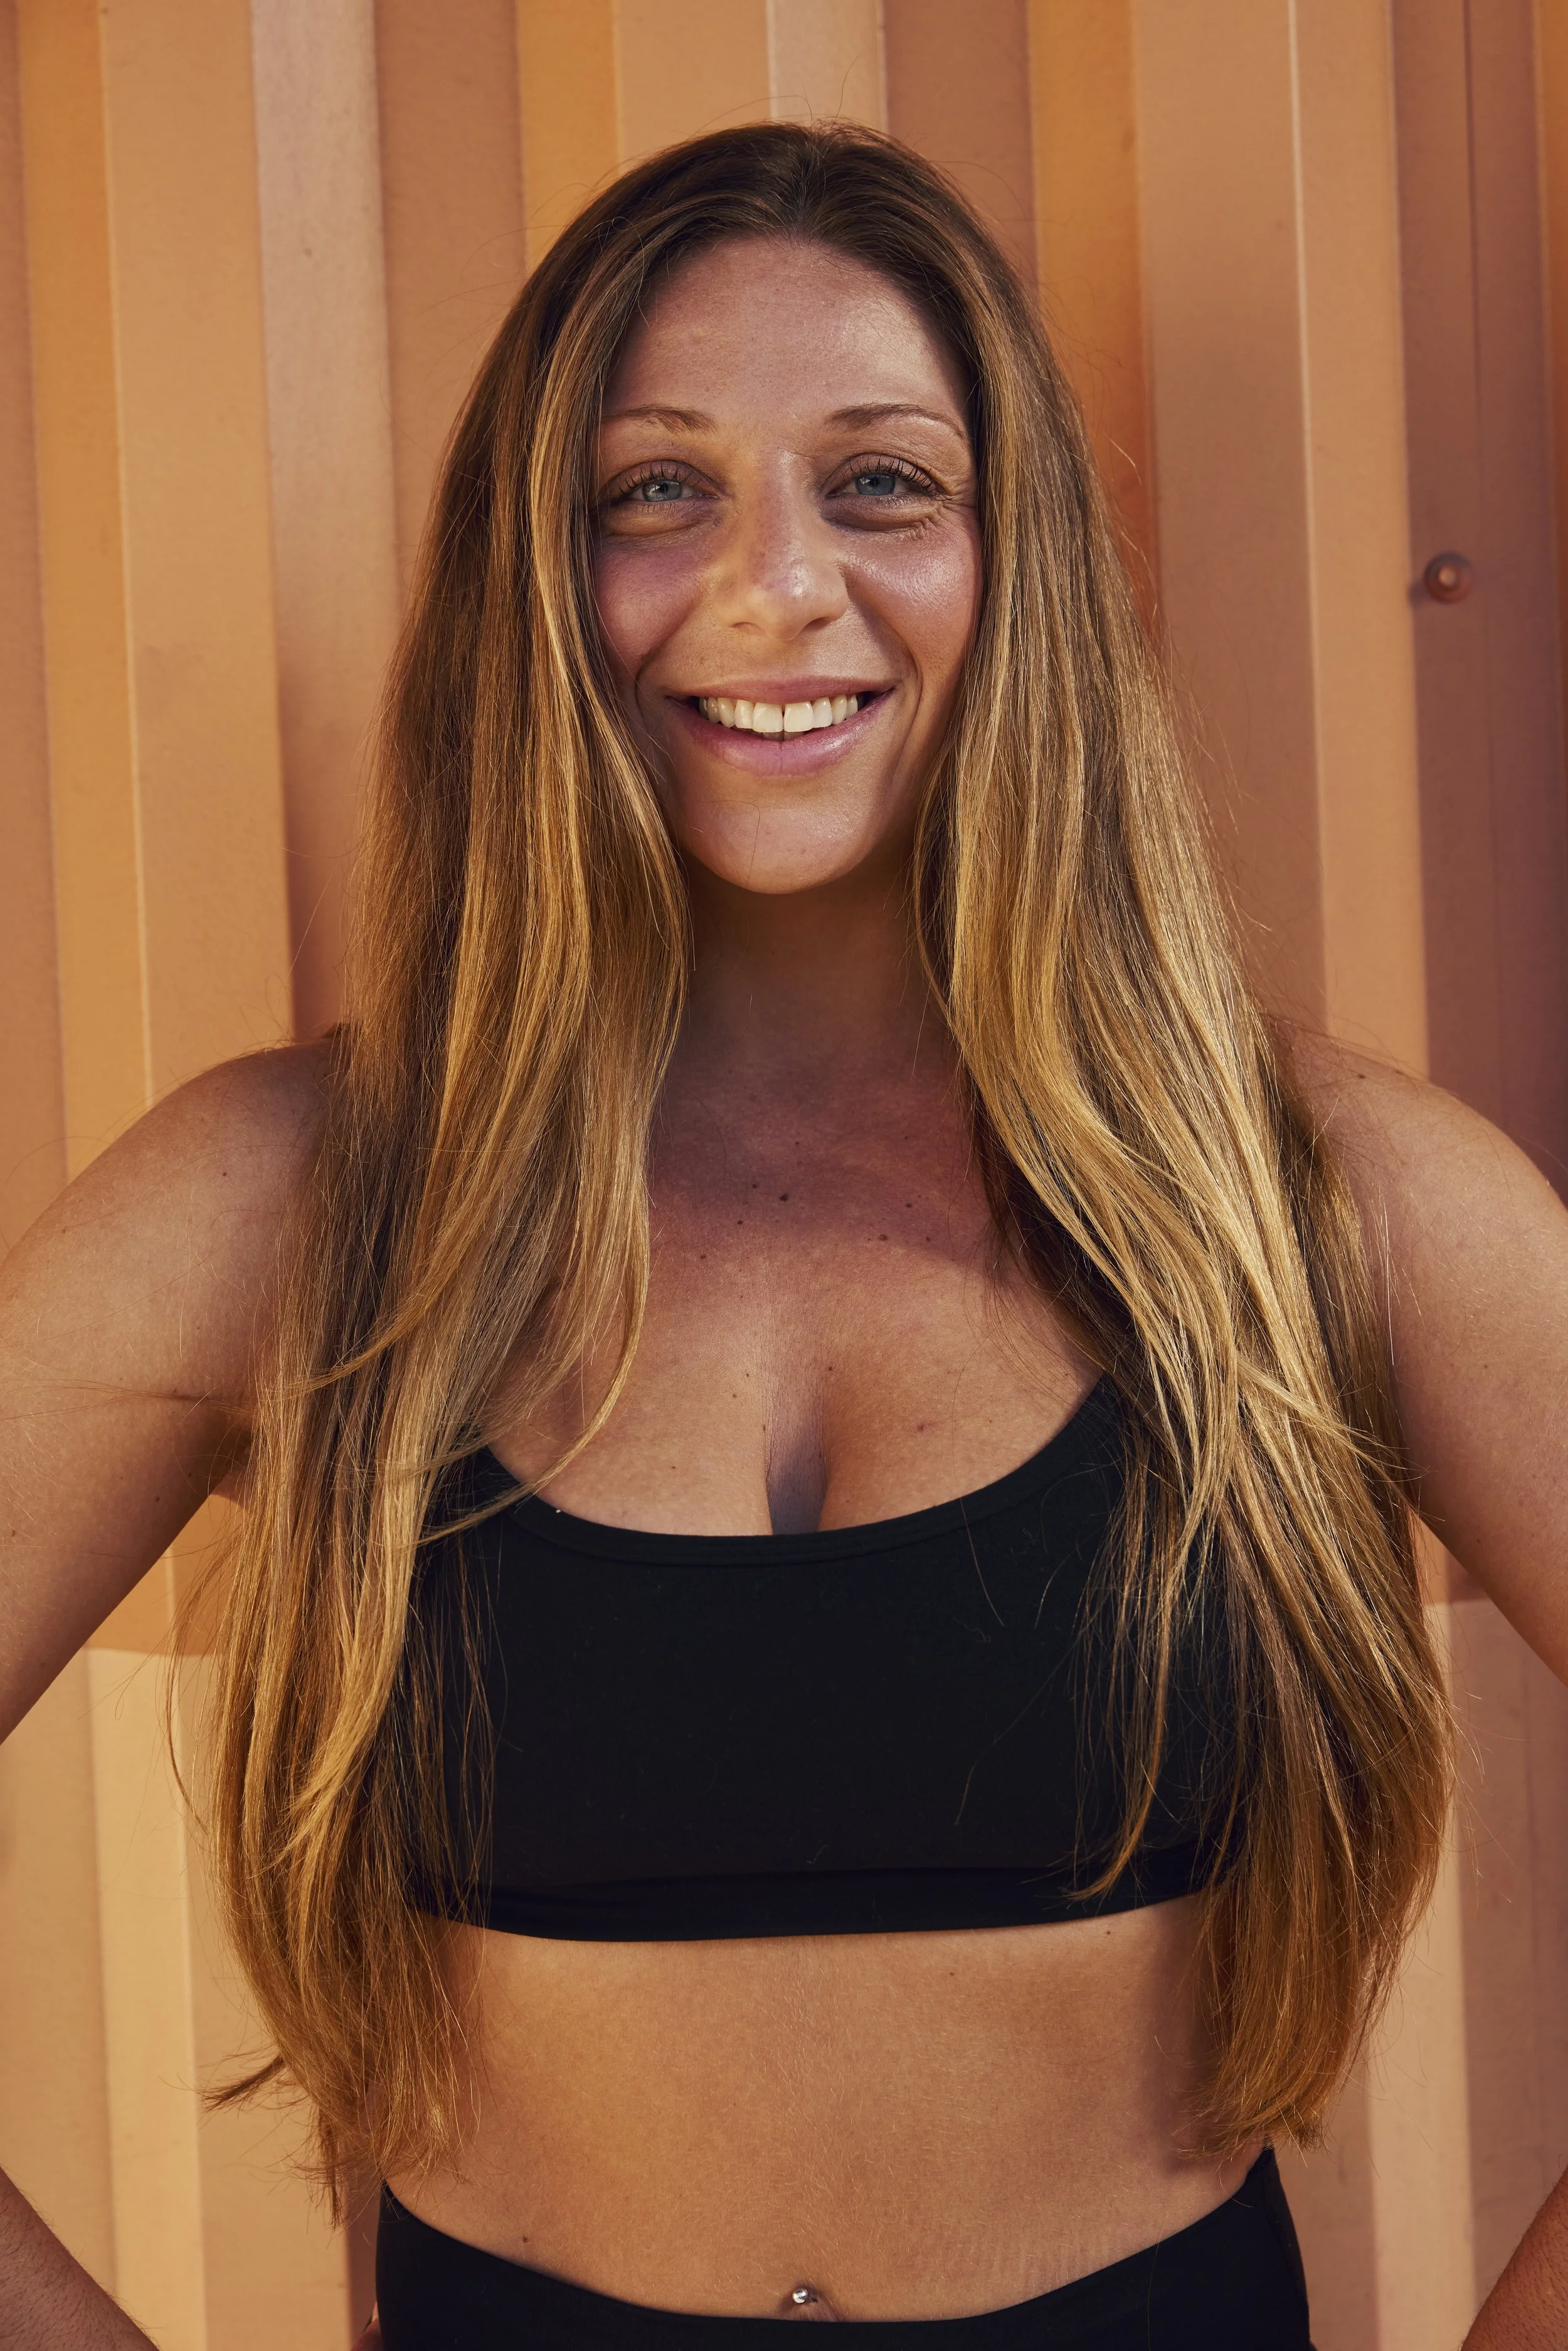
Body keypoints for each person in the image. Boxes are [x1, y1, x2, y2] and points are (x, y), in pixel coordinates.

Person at [2, 121, 1565, 2350]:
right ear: (535, 573)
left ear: (1012, 562)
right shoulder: (286, 1199)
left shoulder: (1315, 1191)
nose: (773, 586)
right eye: (656, 488)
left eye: (879, 484)